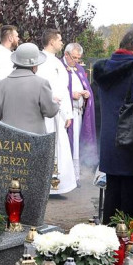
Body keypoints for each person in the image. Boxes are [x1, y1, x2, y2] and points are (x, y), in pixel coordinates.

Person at [93, 28, 133, 223]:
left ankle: (109, 244)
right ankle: (128, 247)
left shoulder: (102, 69)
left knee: (112, 194)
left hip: (108, 140)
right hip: (131, 140)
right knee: (131, 202)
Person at [0, 43, 60, 134]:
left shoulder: (1, 84)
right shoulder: (41, 84)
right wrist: (55, 103)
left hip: (7, 139)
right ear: (35, 65)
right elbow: (50, 112)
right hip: (33, 138)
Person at [38, 29, 77, 194]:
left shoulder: (58, 62)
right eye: (59, 40)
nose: (62, 43)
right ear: (52, 41)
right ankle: (44, 185)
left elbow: (63, 88)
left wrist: (67, 113)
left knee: (59, 146)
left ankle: (58, 184)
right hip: (45, 112)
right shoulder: (40, 60)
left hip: (59, 111)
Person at [62, 42, 98, 172]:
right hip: (66, 114)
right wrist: (71, 95)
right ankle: (66, 172)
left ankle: (75, 173)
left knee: (77, 144)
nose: (76, 61)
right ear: (66, 54)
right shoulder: (60, 67)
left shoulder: (79, 69)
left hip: (78, 113)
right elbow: (57, 90)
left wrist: (87, 93)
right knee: (67, 144)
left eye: (79, 58)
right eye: (74, 57)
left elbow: (85, 86)